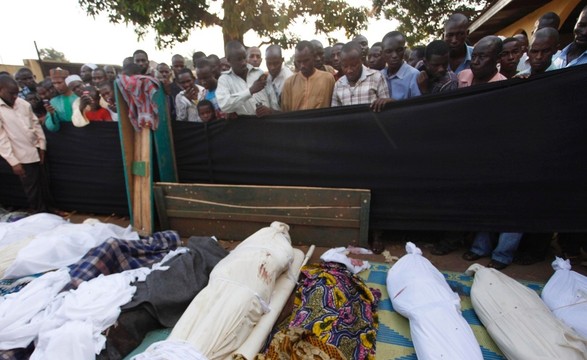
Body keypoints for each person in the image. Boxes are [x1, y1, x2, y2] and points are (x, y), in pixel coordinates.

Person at [0, 75, 52, 213]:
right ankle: (40, 214)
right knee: (32, 189)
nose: (15, 96)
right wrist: (13, 162)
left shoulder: (23, 104)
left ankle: (50, 212)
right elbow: (1, 139)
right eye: (11, 93)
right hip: (21, 156)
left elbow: (36, 125)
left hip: (37, 150)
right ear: (1, 90)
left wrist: (42, 146)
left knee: (45, 185)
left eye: (17, 93)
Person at [216, 40, 279, 117]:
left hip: (267, 124)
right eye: (239, 59)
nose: (243, 62)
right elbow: (224, 105)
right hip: (243, 127)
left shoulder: (259, 73)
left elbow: (274, 102)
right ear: (229, 60)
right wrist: (250, 91)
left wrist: (270, 112)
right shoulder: (224, 80)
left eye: (244, 58)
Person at [281, 40, 335, 112]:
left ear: (313, 57)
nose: (302, 65)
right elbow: (286, 111)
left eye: (306, 61)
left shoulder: (328, 79)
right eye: (299, 62)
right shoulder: (289, 83)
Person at [331, 41, 389, 106]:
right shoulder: (338, 85)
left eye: (353, 65)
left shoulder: (377, 77)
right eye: (345, 66)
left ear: (361, 61)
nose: (349, 70)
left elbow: (386, 107)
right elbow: (336, 112)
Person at [378, 31, 421, 101]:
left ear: (404, 50)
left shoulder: (413, 75)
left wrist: (394, 103)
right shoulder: (380, 75)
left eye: (399, 50)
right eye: (389, 51)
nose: (394, 55)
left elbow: (417, 106)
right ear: (382, 53)